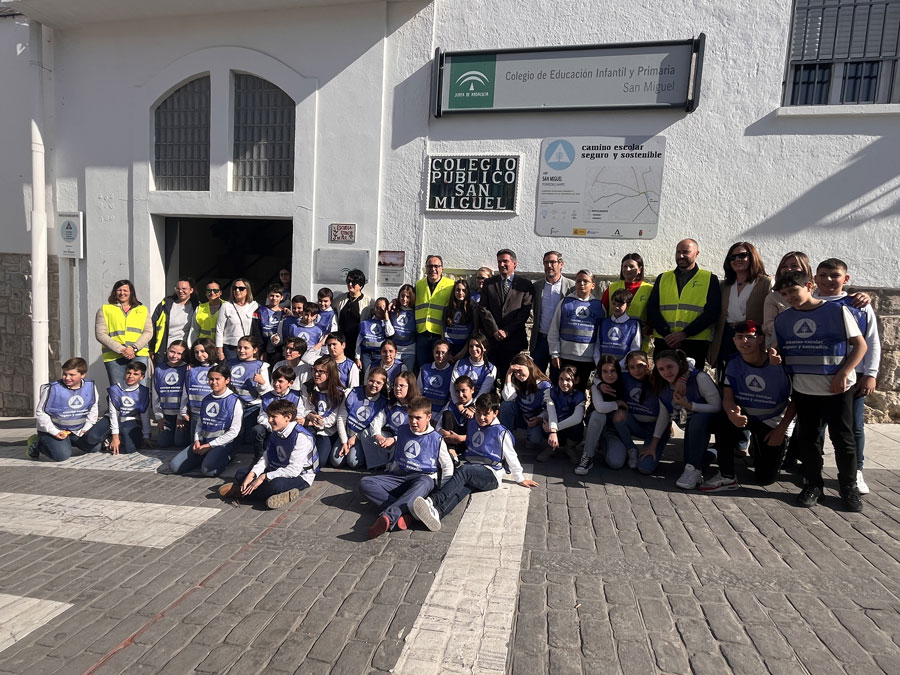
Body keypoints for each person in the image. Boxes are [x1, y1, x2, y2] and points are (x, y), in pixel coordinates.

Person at [773, 271, 867, 511]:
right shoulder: (783, 320)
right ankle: (813, 485)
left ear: (809, 286)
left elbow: (860, 345)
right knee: (808, 439)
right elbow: (783, 352)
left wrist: (844, 374)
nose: (789, 297)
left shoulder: (836, 311)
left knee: (843, 440)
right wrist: (775, 357)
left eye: (793, 290)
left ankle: (849, 488)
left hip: (837, 388)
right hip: (804, 390)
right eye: (784, 294)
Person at [411, 392, 538, 532]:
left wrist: (520, 478)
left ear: (495, 413)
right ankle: (437, 513)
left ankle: (433, 500)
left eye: (486, 414)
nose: (481, 417)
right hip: (474, 470)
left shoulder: (501, 432)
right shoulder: (472, 424)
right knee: (462, 489)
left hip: (491, 475)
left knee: (464, 471)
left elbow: (511, 456)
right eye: (478, 413)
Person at [812, 258, 881, 494]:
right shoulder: (809, 301)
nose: (828, 280)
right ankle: (813, 471)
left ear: (846, 279)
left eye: (834, 275)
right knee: (816, 426)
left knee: (852, 427)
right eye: (823, 275)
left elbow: (871, 340)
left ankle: (856, 471)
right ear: (815, 277)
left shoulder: (858, 304)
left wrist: (870, 373)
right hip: (817, 375)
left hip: (853, 376)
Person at [701, 320, 794, 492]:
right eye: (739, 337)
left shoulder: (779, 364)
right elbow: (727, 398)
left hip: (772, 420)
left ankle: (764, 449)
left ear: (760, 339)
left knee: (765, 479)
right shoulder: (733, 363)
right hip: (745, 416)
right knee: (721, 420)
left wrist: (782, 429)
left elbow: (795, 400)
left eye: (750, 337)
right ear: (734, 340)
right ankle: (727, 476)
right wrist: (732, 414)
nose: (744, 342)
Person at [358, 396, 454, 538]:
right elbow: (401, 445)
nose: (413, 422)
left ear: (428, 417)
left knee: (424, 482)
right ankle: (408, 513)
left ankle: (388, 517)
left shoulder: (436, 439)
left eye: (418, 418)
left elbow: (447, 467)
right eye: (410, 417)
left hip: (422, 479)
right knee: (365, 483)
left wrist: (442, 492)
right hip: (400, 476)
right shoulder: (403, 430)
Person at [218, 399, 317, 509]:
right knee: (241, 474)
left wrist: (263, 477)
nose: (270, 420)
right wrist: (253, 474)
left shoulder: (301, 437)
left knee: (275, 485)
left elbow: (294, 470)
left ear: (288, 417)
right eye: (269, 416)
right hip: (278, 468)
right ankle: (278, 495)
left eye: (274, 417)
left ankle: (242, 493)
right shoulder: (276, 431)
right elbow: (266, 457)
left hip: (300, 475)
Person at [651, 349, 722, 489]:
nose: (666, 372)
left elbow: (717, 407)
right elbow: (663, 417)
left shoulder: (699, 378)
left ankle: (694, 469)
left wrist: (690, 405)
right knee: (688, 462)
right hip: (690, 425)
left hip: (713, 421)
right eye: (661, 369)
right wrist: (653, 444)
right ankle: (710, 455)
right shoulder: (663, 385)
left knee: (698, 420)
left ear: (679, 365)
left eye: (670, 367)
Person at [646, 239, 721, 368]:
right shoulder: (663, 278)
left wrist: (684, 334)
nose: (680, 256)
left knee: (691, 383)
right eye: (678, 252)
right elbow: (652, 309)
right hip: (665, 341)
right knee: (662, 384)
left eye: (685, 252)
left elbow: (712, 312)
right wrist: (667, 334)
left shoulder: (709, 279)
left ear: (697, 254)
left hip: (694, 342)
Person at [708, 242, 773, 373]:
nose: (737, 260)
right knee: (726, 377)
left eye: (742, 255)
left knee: (751, 376)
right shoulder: (724, 285)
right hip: (728, 336)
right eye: (733, 257)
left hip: (753, 337)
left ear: (752, 257)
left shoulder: (765, 282)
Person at [170, 364, 242, 477]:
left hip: (221, 443)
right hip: (204, 441)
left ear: (227, 380)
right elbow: (200, 424)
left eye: (217, 379)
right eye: (211, 379)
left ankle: (226, 456)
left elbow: (234, 431)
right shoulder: (206, 399)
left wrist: (210, 446)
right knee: (175, 466)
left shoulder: (234, 401)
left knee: (208, 471)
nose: (213, 382)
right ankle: (205, 456)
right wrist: (197, 440)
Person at [30, 357, 102, 461]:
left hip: (77, 430)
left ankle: (68, 442)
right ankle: (37, 444)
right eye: (65, 374)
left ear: (83, 375)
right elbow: (41, 412)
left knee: (95, 447)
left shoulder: (90, 387)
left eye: (72, 375)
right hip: (54, 430)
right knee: (61, 455)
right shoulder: (52, 388)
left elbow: (93, 408)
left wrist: (87, 427)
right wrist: (54, 431)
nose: (67, 378)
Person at [478, 249, 534, 380]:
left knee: (510, 379)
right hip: (492, 340)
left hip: (513, 340)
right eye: (499, 262)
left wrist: (506, 331)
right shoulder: (489, 283)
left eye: (505, 261)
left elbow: (524, 312)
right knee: (489, 376)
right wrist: (495, 330)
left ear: (514, 263)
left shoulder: (525, 285)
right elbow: (484, 309)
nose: (502, 264)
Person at [612, 351, 670, 475]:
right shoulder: (624, 377)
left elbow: (689, 362)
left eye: (640, 365)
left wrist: (653, 445)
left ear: (648, 364)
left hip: (656, 430)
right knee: (618, 415)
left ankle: (651, 447)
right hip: (636, 424)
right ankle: (631, 449)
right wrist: (599, 384)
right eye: (631, 367)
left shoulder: (658, 379)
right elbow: (600, 374)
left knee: (645, 468)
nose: (636, 370)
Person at [548, 269, 605, 389]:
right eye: (578, 281)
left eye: (586, 281)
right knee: (561, 391)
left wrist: (597, 358)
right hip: (565, 357)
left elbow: (601, 335)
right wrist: (554, 354)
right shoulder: (565, 303)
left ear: (593, 285)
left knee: (579, 392)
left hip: (587, 359)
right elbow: (554, 329)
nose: (582, 284)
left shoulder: (599, 306)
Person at [95, 279, 152, 387]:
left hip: (139, 354)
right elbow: (100, 334)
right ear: (115, 292)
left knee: (140, 389)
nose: (122, 293)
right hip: (114, 355)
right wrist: (122, 350)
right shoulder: (105, 309)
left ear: (131, 292)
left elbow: (148, 332)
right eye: (119, 290)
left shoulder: (142, 309)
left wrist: (134, 348)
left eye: (125, 290)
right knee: (118, 389)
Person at [574, 356, 625, 473]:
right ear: (600, 373)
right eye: (605, 371)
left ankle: (601, 444)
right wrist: (617, 404)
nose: (609, 375)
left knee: (616, 463)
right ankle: (588, 456)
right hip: (596, 424)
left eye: (612, 371)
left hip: (612, 431)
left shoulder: (623, 384)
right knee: (598, 414)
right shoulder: (596, 387)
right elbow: (600, 408)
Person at [90, 360, 152, 455]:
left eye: (135, 374)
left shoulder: (143, 392)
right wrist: (115, 436)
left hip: (130, 419)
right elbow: (113, 414)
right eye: (128, 373)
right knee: (92, 437)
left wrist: (146, 436)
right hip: (112, 418)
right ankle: (109, 439)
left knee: (130, 449)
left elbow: (145, 415)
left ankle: (124, 437)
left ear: (142, 377)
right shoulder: (115, 389)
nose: (131, 376)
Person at [335, 367, 389, 469]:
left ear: (383, 385)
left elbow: (373, 425)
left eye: (378, 383)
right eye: (371, 381)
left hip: (360, 437)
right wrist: (344, 441)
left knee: (352, 462)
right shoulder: (352, 393)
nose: (374, 385)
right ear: (367, 379)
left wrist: (355, 437)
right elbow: (341, 418)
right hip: (347, 432)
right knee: (336, 461)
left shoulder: (382, 402)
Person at [531, 250, 575, 376]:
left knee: (558, 378)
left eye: (552, 262)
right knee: (537, 378)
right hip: (540, 340)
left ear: (561, 264)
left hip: (561, 341)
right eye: (546, 262)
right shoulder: (537, 286)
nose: (549, 265)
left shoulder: (571, 287)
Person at [227, 336, 272, 448]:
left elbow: (267, 391)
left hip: (251, 407)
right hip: (233, 405)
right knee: (234, 437)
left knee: (248, 439)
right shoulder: (230, 363)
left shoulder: (261, 366)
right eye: (239, 347)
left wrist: (262, 383)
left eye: (246, 348)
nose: (241, 351)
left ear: (255, 350)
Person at [500, 354, 553, 451]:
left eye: (520, 371)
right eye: (515, 372)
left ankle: (530, 436)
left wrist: (540, 418)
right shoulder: (515, 380)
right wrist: (508, 374)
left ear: (529, 366)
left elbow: (549, 408)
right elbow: (508, 398)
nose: (518, 375)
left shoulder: (544, 385)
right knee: (506, 405)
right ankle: (505, 438)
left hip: (536, 418)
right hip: (521, 415)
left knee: (535, 439)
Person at [601, 253, 654, 349]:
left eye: (631, 266)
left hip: (638, 338)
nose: (627, 269)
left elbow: (653, 314)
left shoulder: (649, 289)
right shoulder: (612, 287)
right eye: (625, 266)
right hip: (614, 337)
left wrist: (649, 327)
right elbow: (602, 311)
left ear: (640, 269)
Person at [299, 356, 344, 468]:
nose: (316, 374)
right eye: (314, 370)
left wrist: (313, 422)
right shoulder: (307, 386)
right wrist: (310, 415)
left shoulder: (338, 393)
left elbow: (333, 419)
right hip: (310, 425)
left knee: (320, 462)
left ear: (330, 374)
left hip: (327, 431)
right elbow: (305, 407)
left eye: (321, 372)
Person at [251, 365, 302, 461]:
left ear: (290, 383)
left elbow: (299, 415)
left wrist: (283, 426)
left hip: (289, 429)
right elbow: (262, 417)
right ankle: (259, 458)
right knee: (257, 430)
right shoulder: (267, 397)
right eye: (274, 380)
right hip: (270, 428)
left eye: (280, 381)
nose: (276, 384)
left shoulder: (296, 396)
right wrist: (272, 426)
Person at [414, 255, 456, 369]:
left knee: (441, 367)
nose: (433, 269)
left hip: (440, 335)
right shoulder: (418, 285)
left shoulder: (451, 285)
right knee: (422, 368)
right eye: (430, 266)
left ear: (442, 268)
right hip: (422, 333)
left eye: (436, 266)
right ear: (426, 268)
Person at [543, 366, 587, 461]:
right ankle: (551, 447)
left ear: (576, 380)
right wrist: (552, 429)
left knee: (577, 426)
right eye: (561, 379)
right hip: (555, 423)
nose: (564, 383)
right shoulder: (551, 392)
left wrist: (553, 430)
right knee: (546, 420)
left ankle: (570, 448)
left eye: (568, 380)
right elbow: (552, 412)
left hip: (568, 427)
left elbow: (577, 418)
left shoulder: (579, 396)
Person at [150, 278, 199, 363]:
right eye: (178, 288)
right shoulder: (165, 305)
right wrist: (151, 349)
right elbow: (153, 326)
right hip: (165, 350)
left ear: (191, 290)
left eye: (184, 289)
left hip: (186, 351)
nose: (180, 291)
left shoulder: (197, 307)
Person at [152, 340, 190, 448]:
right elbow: (155, 394)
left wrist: (180, 416)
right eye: (172, 352)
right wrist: (159, 417)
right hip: (166, 415)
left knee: (180, 442)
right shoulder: (159, 369)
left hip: (181, 415)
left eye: (179, 353)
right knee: (163, 443)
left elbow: (185, 394)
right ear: (167, 350)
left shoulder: (186, 369)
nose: (174, 356)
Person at [595, 288, 642, 370]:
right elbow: (597, 344)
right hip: (603, 368)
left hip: (623, 369)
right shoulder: (603, 322)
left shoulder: (633, 324)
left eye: (620, 305)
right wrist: (599, 363)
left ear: (628, 305)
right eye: (614, 303)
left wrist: (619, 365)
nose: (616, 307)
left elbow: (635, 348)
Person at [335, 269, 376, 363]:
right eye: (348, 281)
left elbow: (379, 314)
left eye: (353, 282)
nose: (350, 284)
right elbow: (327, 309)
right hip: (342, 341)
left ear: (361, 285)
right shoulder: (340, 299)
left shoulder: (369, 302)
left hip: (358, 343)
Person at [436, 375, 477, 466]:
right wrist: (446, 433)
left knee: (473, 420)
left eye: (463, 391)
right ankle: (452, 453)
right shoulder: (452, 404)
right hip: (451, 440)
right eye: (457, 391)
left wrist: (460, 438)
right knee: (447, 414)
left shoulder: (477, 405)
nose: (460, 395)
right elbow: (437, 426)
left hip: (468, 440)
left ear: (472, 390)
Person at [215, 278, 259, 361]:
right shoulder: (226, 306)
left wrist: (285, 310)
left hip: (248, 347)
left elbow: (267, 311)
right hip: (230, 348)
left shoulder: (254, 305)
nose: (237, 290)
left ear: (247, 290)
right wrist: (220, 352)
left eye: (241, 288)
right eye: (234, 288)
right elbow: (219, 329)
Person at [182, 338, 218, 439]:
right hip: (195, 412)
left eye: (203, 351)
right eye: (196, 352)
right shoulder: (191, 369)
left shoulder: (218, 368)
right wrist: (183, 411)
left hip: (213, 412)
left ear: (210, 350)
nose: (199, 355)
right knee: (194, 441)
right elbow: (186, 391)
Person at [449, 333, 497, 406]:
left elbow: (484, 391)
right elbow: (452, 387)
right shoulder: (460, 363)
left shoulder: (491, 368)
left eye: (477, 346)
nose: (473, 349)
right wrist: (458, 404)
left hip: (479, 405)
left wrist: (473, 407)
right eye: (471, 346)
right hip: (459, 403)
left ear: (484, 348)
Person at [356, 297, 395, 374]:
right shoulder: (365, 323)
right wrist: (357, 357)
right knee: (367, 375)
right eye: (377, 307)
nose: (379, 310)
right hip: (366, 355)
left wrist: (386, 318)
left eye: (382, 308)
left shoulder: (387, 323)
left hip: (380, 354)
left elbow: (390, 333)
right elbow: (358, 342)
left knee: (378, 375)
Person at [443, 280, 477, 363]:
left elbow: (474, 331)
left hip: (465, 348)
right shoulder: (447, 309)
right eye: (457, 290)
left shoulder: (472, 310)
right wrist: (448, 352)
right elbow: (443, 331)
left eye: (463, 290)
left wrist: (463, 352)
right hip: (449, 348)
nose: (460, 293)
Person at [252, 285, 287, 363]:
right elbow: (256, 332)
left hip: (278, 350)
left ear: (281, 297)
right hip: (263, 347)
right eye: (272, 295)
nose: (274, 298)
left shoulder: (284, 313)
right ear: (268, 296)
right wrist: (261, 350)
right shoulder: (259, 311)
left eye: (277, 296)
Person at [418, 339, 453, 415]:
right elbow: (419, 392)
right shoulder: (425, 369)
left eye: (443, 353)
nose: (440, 356)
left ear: (449, 354)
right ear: (433, 353)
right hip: (424, 411)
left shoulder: (453, 371)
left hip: (443, 413)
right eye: (437, 352)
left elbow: (452, 398)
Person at [390, 284, 417, 371]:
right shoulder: (393, 309)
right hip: (394, 350)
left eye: (408, 297)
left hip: (409, 351)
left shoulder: (415, 311)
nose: (404, 299)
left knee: (406, 378)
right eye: (402, 296)